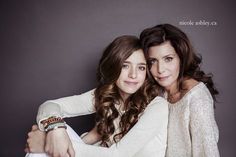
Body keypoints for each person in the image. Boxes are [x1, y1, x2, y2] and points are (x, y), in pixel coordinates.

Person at [25, 35, 169, 157]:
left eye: (141, 67)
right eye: (125, 65)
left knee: (47, 144)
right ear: (114, 66)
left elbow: (117, 155)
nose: (133, 74)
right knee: (55, 129)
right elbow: (50, 105)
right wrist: (55, 129)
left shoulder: (157, 106)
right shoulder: (107, 95)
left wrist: (46, 144)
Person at [139, 23, 220, 157]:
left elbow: (207, 152)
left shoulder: (196, 97)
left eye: (168, 59)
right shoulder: (159, 92)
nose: (160, 69)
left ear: (181, 58)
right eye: (152, 61)